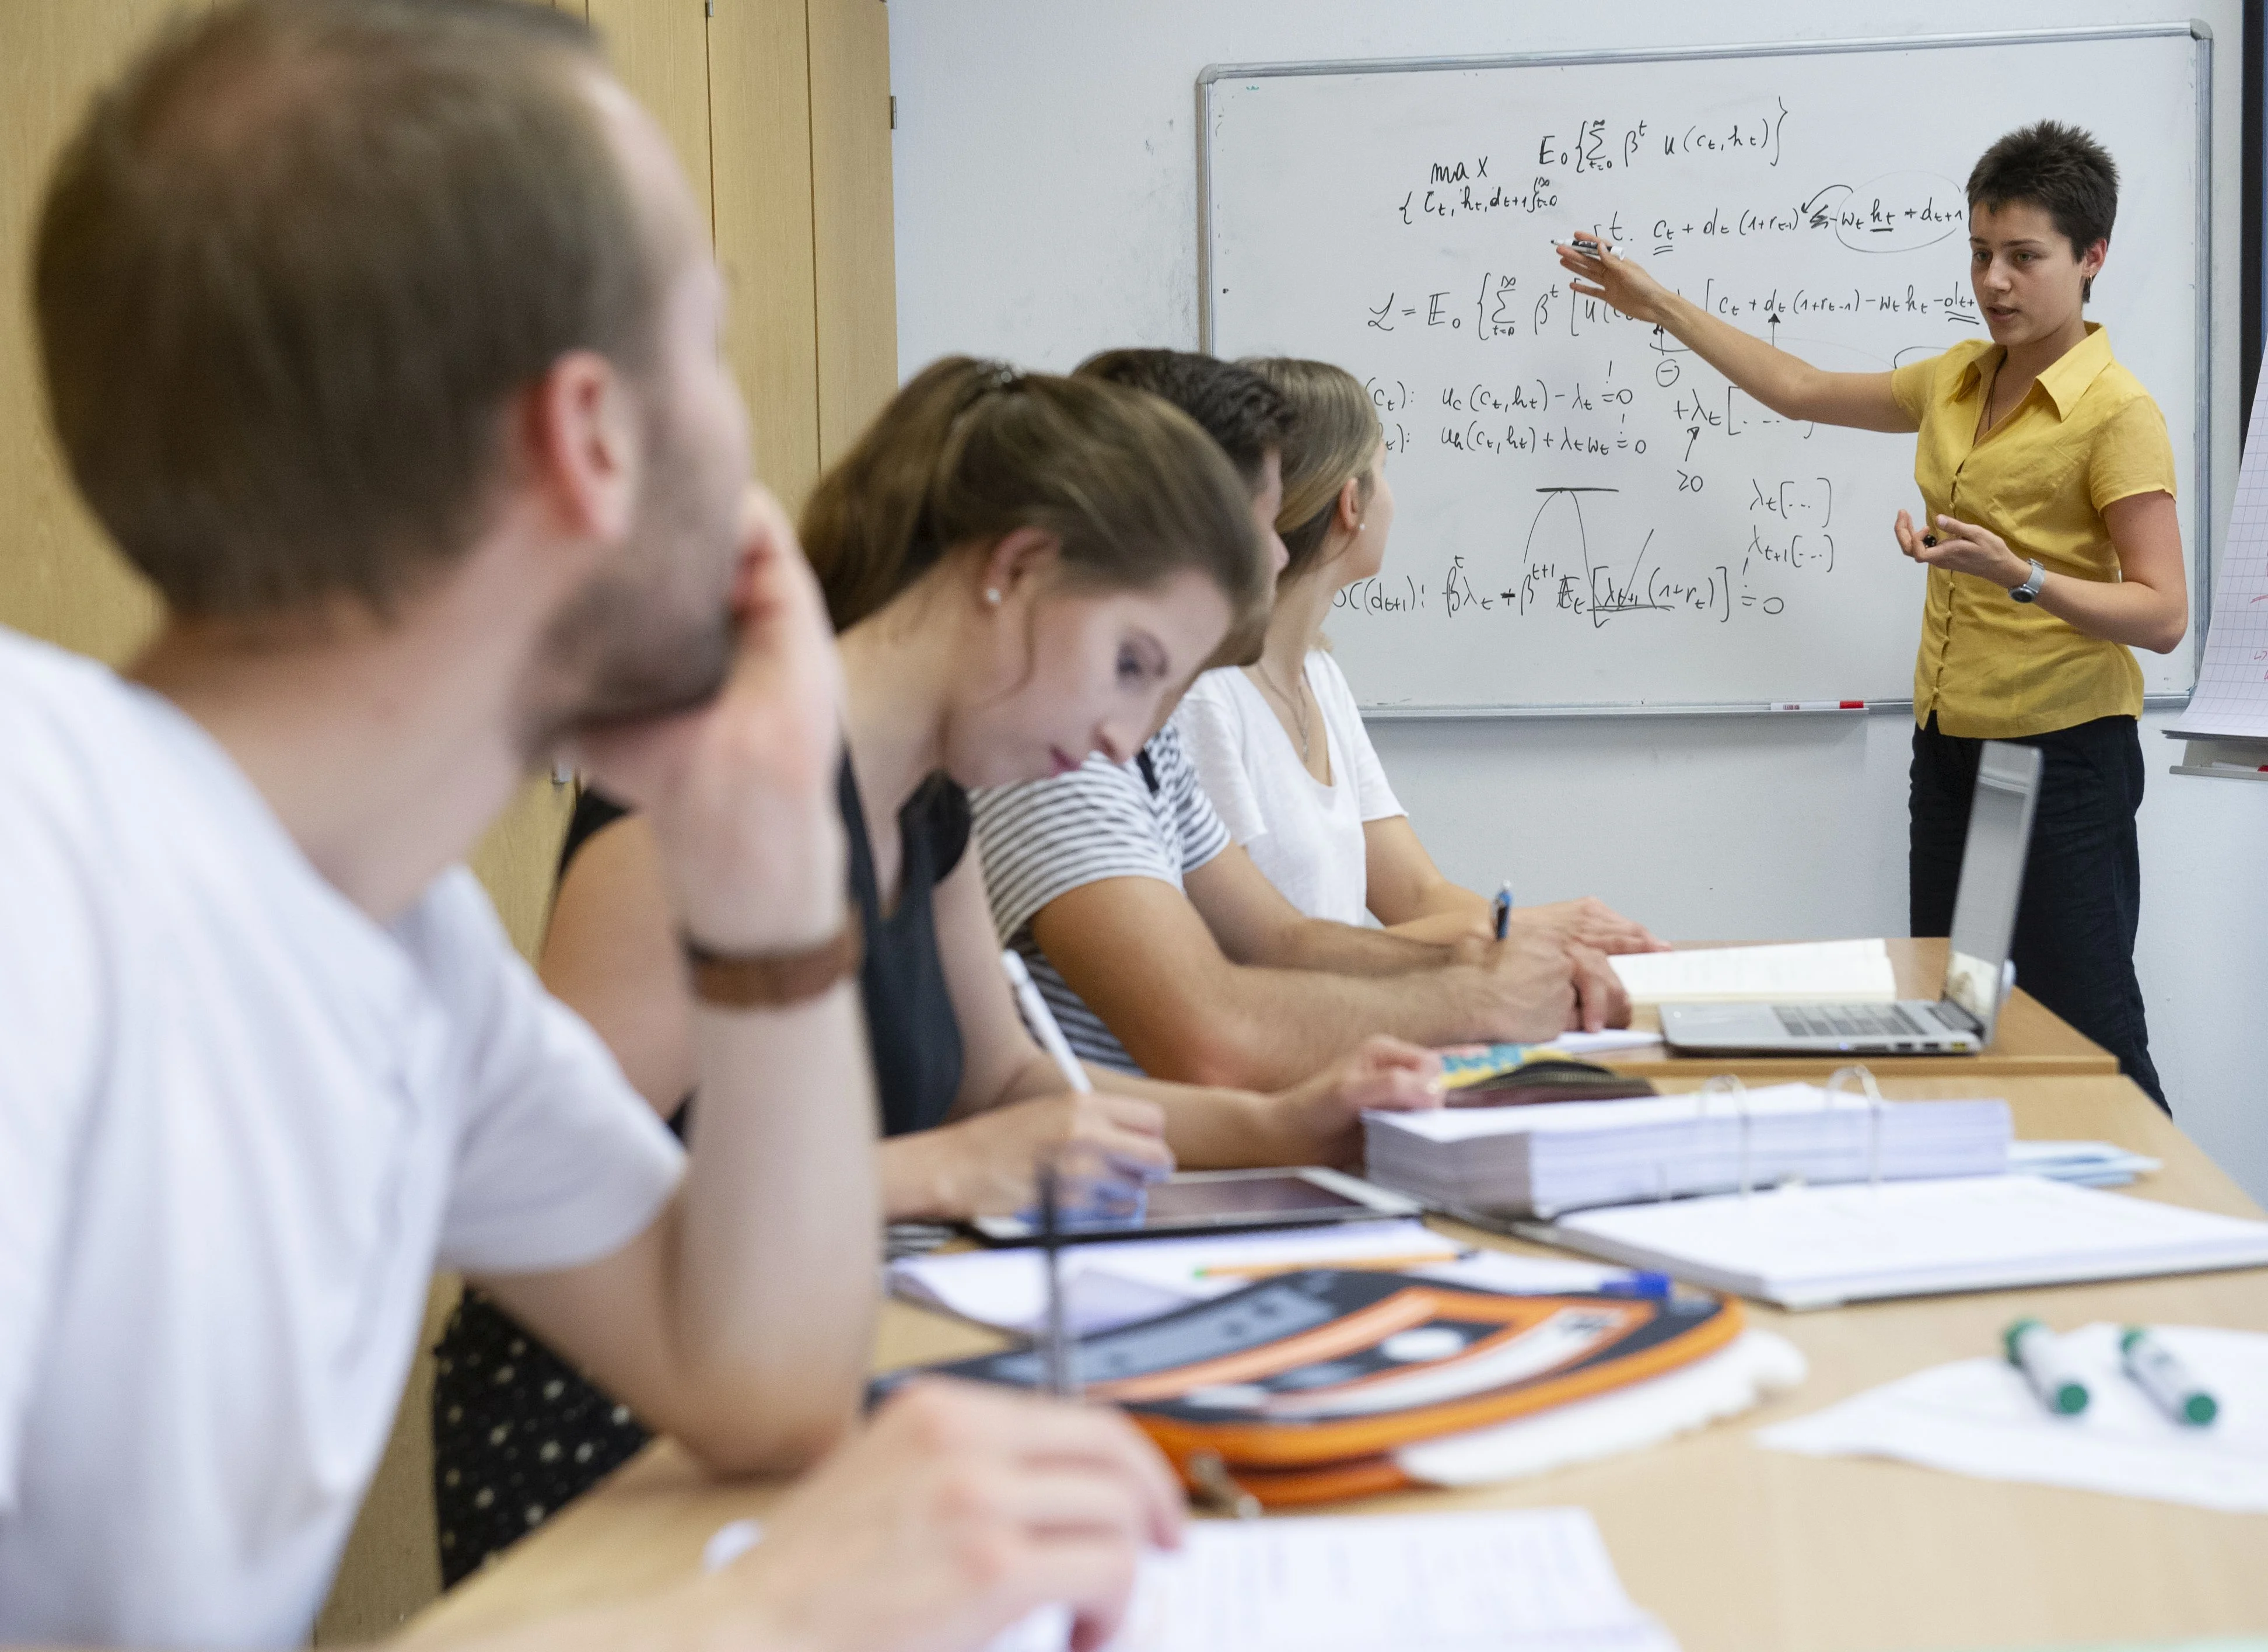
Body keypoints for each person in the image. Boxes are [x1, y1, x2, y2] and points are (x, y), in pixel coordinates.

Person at [0, 4, 1174, 1650]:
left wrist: (767, 879)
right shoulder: (35, 863)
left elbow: (761, 1382)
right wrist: (750, 1621)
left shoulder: (403, 947)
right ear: (593, 440)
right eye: (706, 344)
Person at [432, 353, 1448, 1576]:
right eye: (1130, 664)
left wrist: (1280, 1122)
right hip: (615, 1432)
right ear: (1014, 569)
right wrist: (947, 1170)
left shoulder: (928, 800)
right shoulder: (710, 792)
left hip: (805, 1367)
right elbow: (551, 1200)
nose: (1127, 736)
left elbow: (1009, 1092)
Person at [1557, 121, 2183, 1108]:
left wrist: (2018, 575)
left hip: (2060, 758)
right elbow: (1799, 390)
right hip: (1951, 750)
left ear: (2090, 256)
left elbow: (2160, 613)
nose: (1994, 283)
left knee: (2088, 1026)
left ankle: (2189, 1240)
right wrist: (1658, 307)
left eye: (2024, 258)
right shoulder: (1956, 378)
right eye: (1980, 254)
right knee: (1961, 1018)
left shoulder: (2115, 411)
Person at [971, 349, 1632, 1093]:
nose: (1282, 547)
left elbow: (1278, 940)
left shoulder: (1133, 733)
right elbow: (1213, 1030)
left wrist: (1501, 957)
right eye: (1261, 519)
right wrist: (1478, 989)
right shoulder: (1057, 744)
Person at [1175, 355, 1666, 954]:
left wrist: (1552, 937)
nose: (1392, 496)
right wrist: (1522, 933)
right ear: (1349, 504)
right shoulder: (1205, 695)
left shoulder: (1318, 676)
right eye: (1382, 471)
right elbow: (1275, 950)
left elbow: (1415, 895)